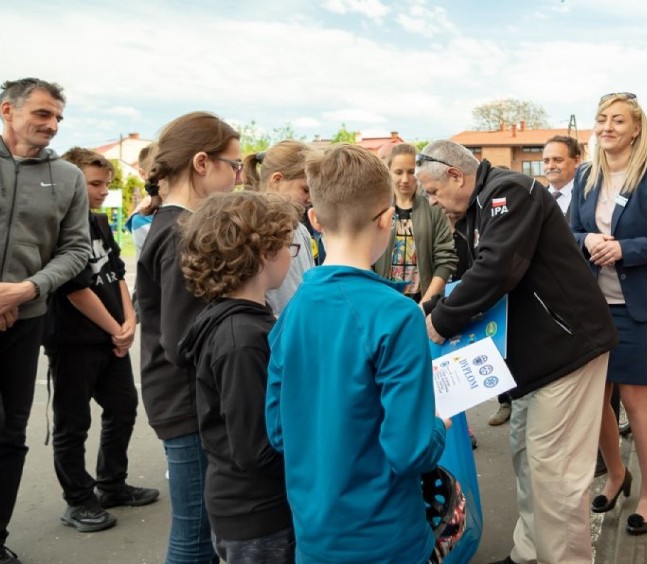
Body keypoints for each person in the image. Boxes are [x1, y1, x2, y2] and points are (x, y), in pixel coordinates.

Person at [418, 140, 618, 564]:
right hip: (532, 362)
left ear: (456, 175)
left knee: (555, 473)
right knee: (528, 459)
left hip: (566, 353)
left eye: (433, 193)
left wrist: (439, 323)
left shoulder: (510, 192)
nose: (432, 204)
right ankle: (529, 553)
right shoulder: (476, 209)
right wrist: (428, 312)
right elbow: (469, 276)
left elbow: (496, 269)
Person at [265, 144, 449, 563]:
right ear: (386, 218)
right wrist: (438, 426)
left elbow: (279, 431)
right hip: (386, 539)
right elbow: (410, 450)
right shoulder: (398, 315)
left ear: (314, 219)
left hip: (314, 537)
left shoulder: (291, 311)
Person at [571, 92, 647, 536]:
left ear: (636, 129)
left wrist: (625, 249)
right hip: (594, 307)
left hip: (641, 310)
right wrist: (586, 241)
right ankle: (617, 474)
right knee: (597, 398)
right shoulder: (586, 175)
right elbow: (569, 232)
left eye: (618, 120)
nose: (607, 127)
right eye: (602, 119)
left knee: (636, 401)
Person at [137, 111, 241, 563]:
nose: (239, 175)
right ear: (202, 163)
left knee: (200, 533)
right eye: (233, 165)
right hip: (188, 406)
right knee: (195, 537)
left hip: (185, 401)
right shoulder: (182, 232)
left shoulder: (178, 224)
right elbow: (183, 339)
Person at [178, 191, 301, 563]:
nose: (290, 256)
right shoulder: (242, 340)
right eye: (288, 247)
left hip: (253, 507)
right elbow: (256, 449)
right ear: (263, 253)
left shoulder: (240, 320)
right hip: (258, 515)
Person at [43, 148, 159, 533]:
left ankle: (112, 484)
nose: (102, 191)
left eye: (106, 184)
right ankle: (78, 500)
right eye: (94, 183)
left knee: (123, 408)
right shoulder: (58, 224)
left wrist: (128, 321)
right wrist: (115, 327)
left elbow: (116, 273)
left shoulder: (99, 222)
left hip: (112, 337)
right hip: (74, 341)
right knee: (72, 423)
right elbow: (76, 289)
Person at [0, 78, 90, 564]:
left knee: (11, 433)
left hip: (26, 318)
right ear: (8, 109)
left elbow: (75, 249)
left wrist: (27, 289)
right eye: (42, 114)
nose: (52, 125)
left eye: (58, 117)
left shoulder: (69, 177)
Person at [373, 143, 457, 304]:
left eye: (411, 172)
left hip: (422, 300)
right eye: (398, 172)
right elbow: (367, 258)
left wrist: (424, 305)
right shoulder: (377, 209)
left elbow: (445, 261)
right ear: (389, 172)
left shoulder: (433, 210)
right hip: (383, 302)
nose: (405, 179)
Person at [242, 140, 314, 315]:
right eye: (305, 190)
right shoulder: (251, 230)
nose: (311, 199)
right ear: (277, 180)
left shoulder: (301, 230)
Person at [542, 135, 583, 216]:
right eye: (546, 161)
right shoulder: (535, 199)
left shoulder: (588, 198)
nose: (550, 166)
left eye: (558, 160)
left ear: (577, 161)